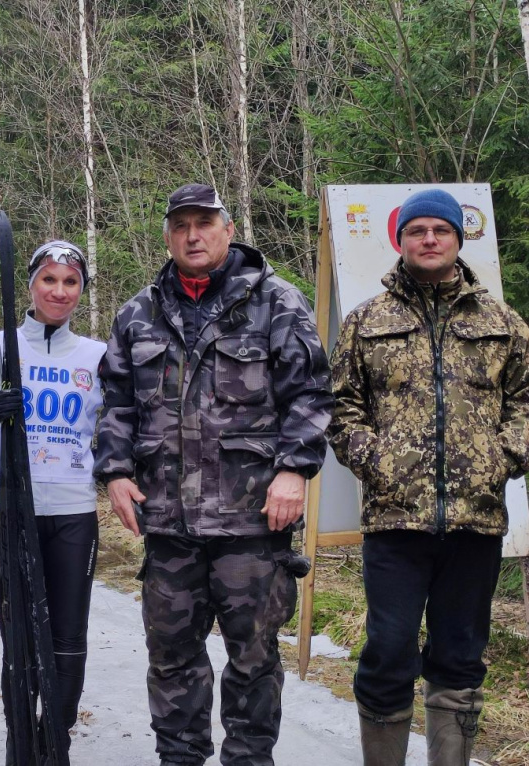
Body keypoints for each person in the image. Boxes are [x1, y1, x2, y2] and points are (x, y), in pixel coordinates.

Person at [93, 183, 332, 766]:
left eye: (204, 223)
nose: (192, 235)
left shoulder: (277, 302)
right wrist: (117, 472)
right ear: (169, 235)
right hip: (169, 522)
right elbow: (116, 401)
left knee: (253, 659)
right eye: (181, 225)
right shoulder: (138, 313)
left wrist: (295, 471)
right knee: (171, 656)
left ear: (228, 229)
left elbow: (310, 394)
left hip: (251, 520)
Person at [327, 188, 529, 766]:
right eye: (417, 231)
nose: (429, 240)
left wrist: (504, 455)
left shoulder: (500, 321)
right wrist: (374, 458)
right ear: (400, 240)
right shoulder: (367, 321)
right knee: (388, 651)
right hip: (395, 521)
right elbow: (341, 406)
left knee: (461, 654)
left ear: (456, 239)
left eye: (440, 231)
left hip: (475, 518)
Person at [0, 239, 105, 761]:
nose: (59, 291)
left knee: (67, 637)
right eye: (48, 280)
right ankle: (20, 744)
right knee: (19, 637)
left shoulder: (96, 356)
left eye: (70, 282)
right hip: (13, 508)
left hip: (73, 512)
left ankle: (51, 747)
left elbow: (117, 431)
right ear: (31, 287)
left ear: (80, 291)